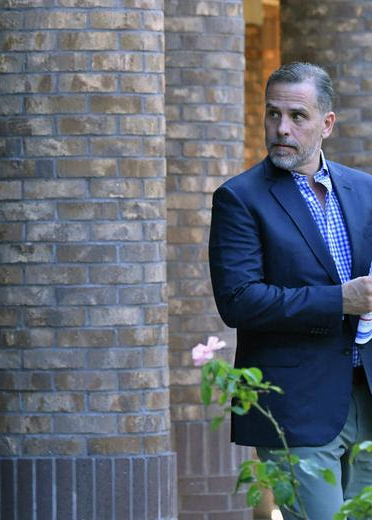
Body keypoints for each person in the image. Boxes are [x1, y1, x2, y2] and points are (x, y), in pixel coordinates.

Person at [209, 61, 372, 519]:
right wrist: (341, 299)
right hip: (295, 403)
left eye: (297, 116)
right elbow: (238, 300)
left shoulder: (364, 190)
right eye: (273, 114)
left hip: (366, 392)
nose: (282, 128)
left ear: (327, 123)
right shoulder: (240, 198)